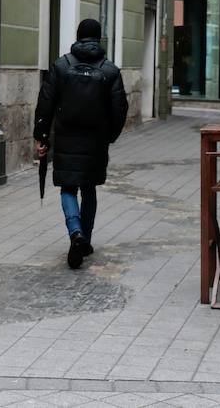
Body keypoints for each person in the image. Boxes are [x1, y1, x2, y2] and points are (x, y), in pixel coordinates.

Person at [33, 18, 129, 269]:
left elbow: (46, 101)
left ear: (77, 37)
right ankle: (84, 240)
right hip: (96, 141)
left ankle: (75, 233)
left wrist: (42, 135)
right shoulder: (110, 71)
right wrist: (110, 136)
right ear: (99, 39)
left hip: (66, 138)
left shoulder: (61, 66)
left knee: (68, 188)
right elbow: (120, 110)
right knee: (89, 189)